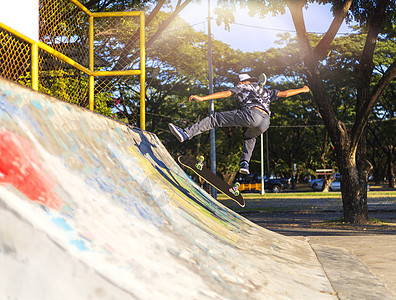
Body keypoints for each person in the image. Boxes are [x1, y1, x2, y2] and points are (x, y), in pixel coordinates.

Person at [169, 73, 310, 175]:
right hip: (265, 122)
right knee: (250, 137)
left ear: (242, 82)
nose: (237, 85)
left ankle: (186, 133)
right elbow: (285, 94)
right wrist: (303, 90)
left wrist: (203, 98)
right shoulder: (266, 91)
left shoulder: (243, 87)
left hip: (252, 114)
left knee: (215, 119)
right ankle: (245, 163)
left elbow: (226, 93)